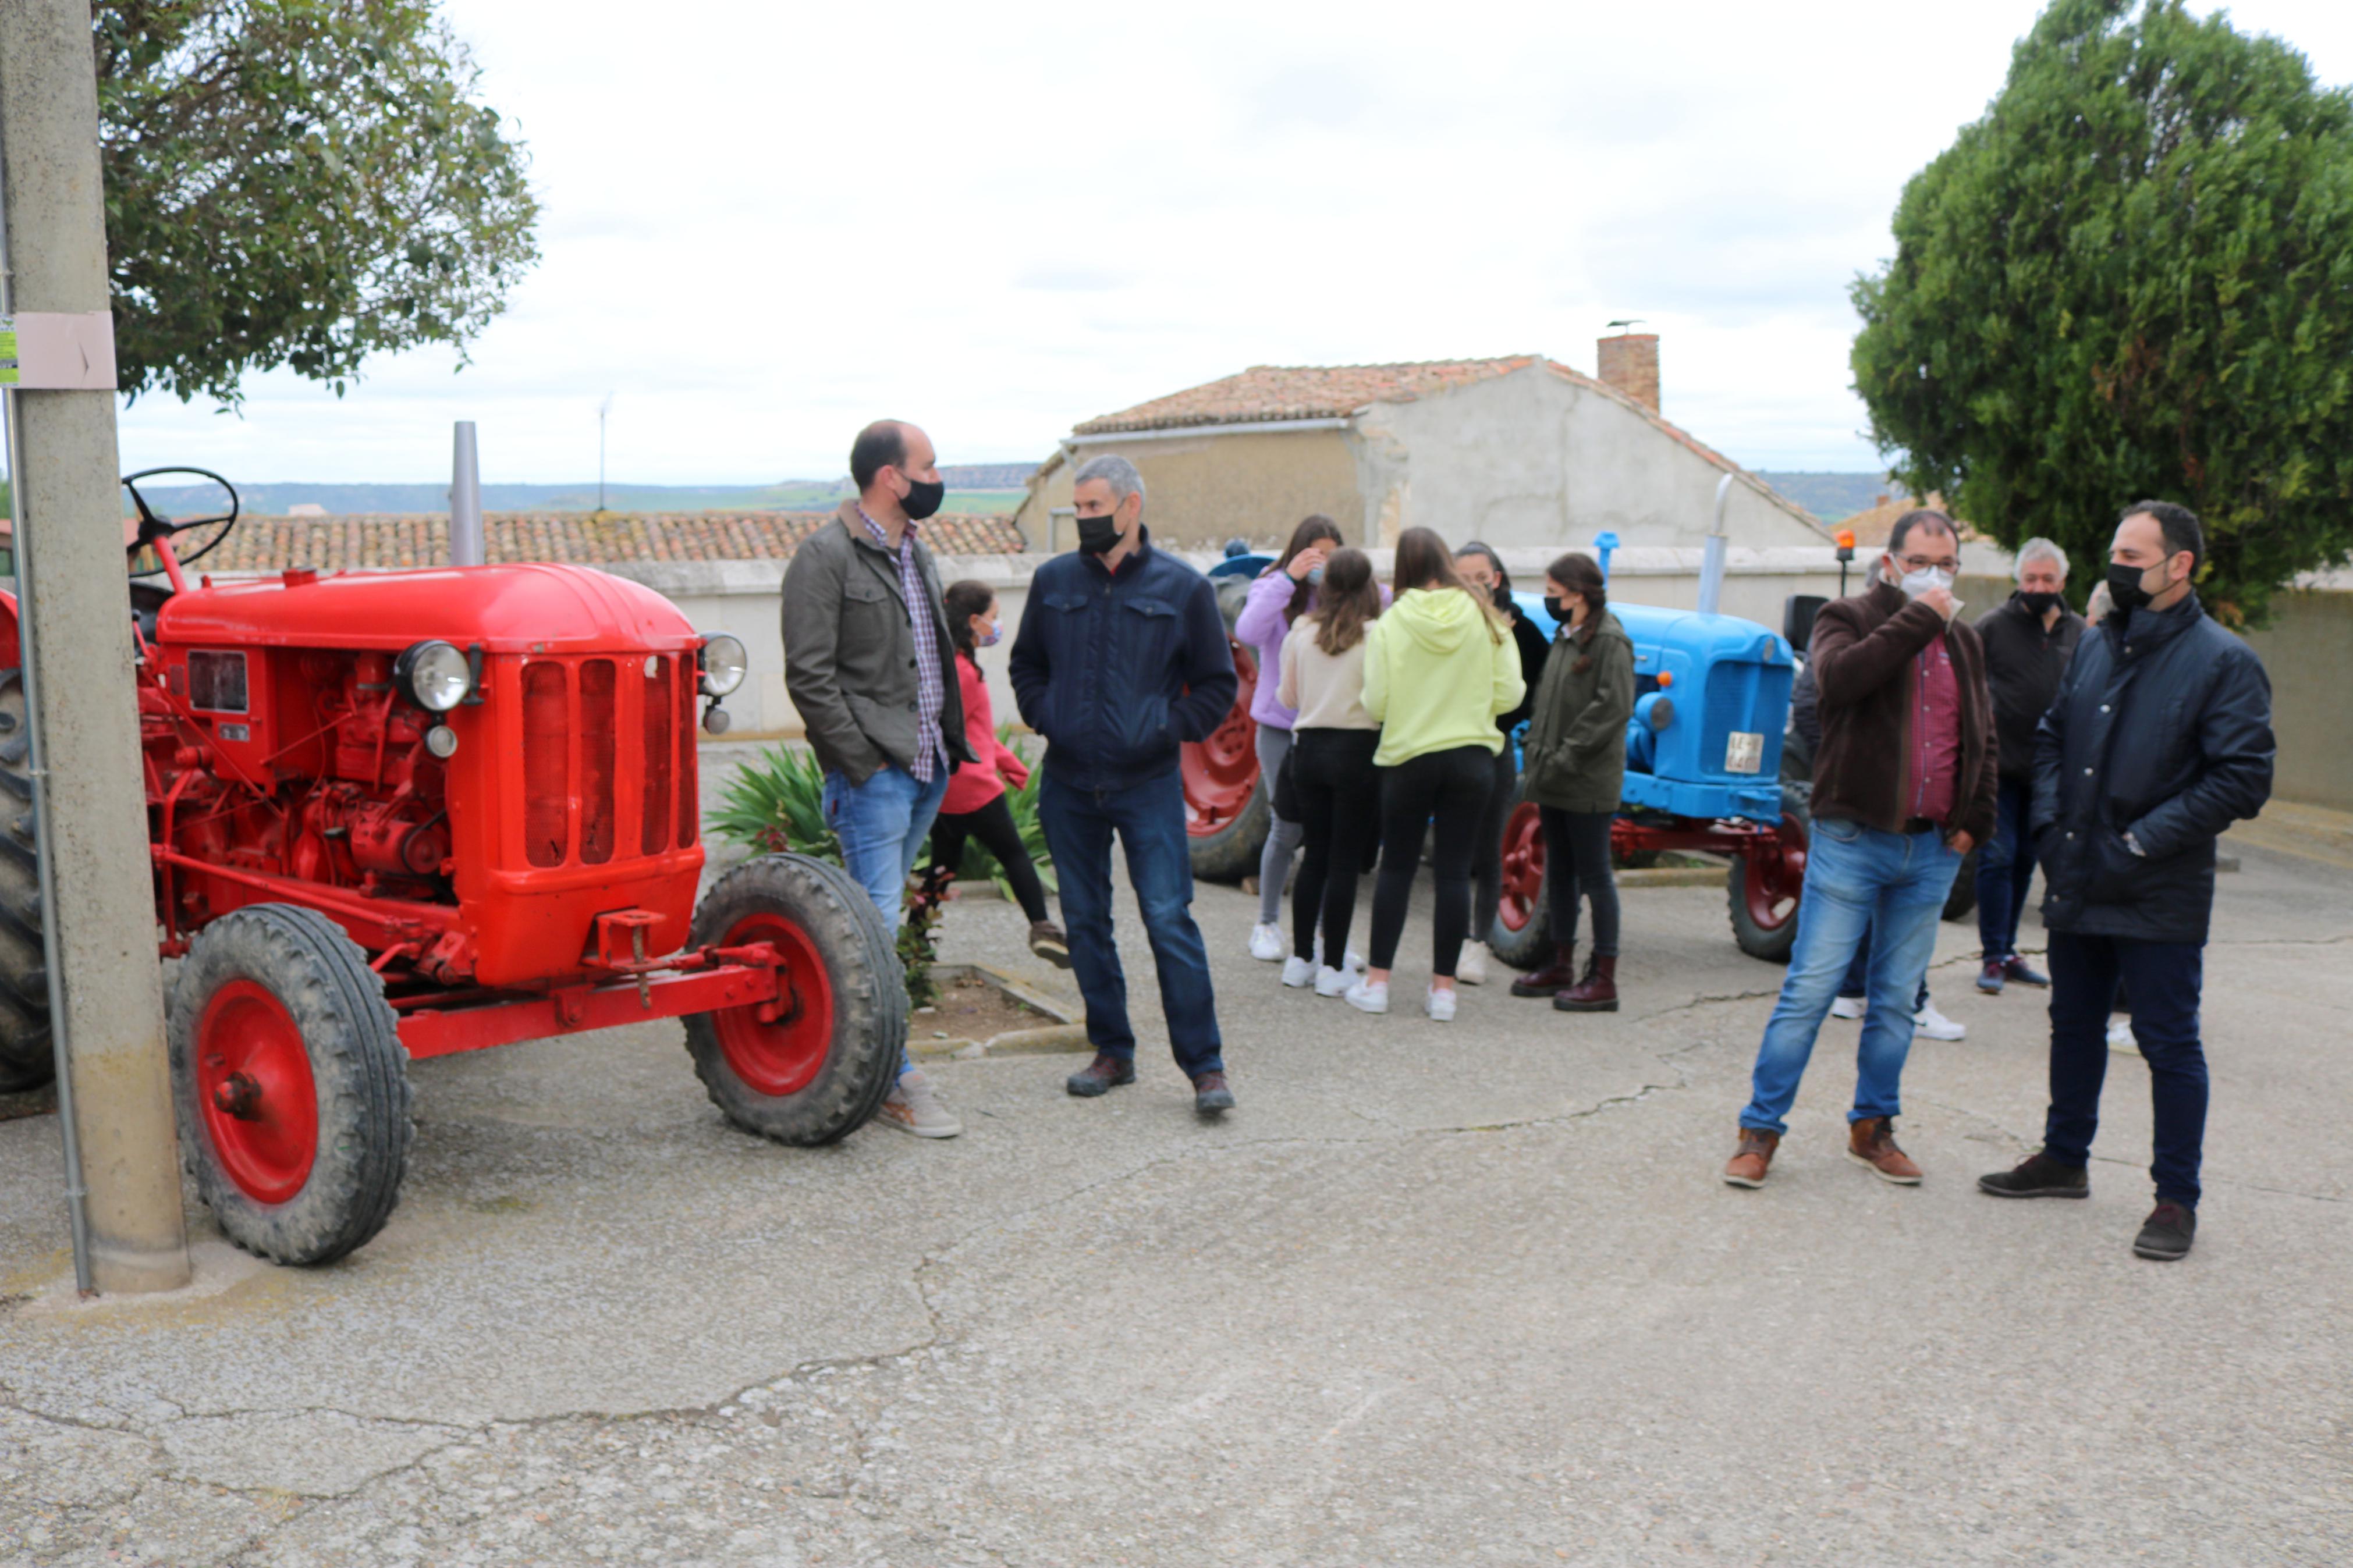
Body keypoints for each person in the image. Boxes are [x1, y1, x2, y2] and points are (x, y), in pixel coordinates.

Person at [1979, 502, 2273, 1263]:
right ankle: (2062, 1157)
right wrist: (2046, 827)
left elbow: (2241, 777)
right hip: (2077, 872)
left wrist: (2141, 839)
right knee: (2071, 1024)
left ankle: (2174, 1198)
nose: (2116, 566)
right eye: (2112, 551)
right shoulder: (2095, 644)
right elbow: (2049, 738)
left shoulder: (2222, 660)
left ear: (2178, 565)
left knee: (2167, 1043)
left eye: (2131, 555)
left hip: (2156, 888)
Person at [1723, 509, 1996, 1189]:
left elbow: (1982, 735)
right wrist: (1918, 617)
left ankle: (1872, 1128)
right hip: (1852, 840)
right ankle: (1759, 1129)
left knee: (1896, 1000)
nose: (1934, 575)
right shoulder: (1844, 617)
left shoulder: (1965, 640)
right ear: (1890, 562)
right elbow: (1839, 682)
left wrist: (1975, 819)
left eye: (1947, 565)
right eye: (1920, 562)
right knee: (1810, 990)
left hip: (1929, 850)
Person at [1008, 455, 1241, 1114]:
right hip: (1069, 785)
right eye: (1076, 509)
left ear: (1130, 506)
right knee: (1085, 923)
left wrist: (1165, 728)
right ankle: (1112, 1051)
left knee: (1169, 920)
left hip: (1148, 785)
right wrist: (1047, 714)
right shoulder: (1052, 581)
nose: (1082, 519)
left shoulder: (1183, 589)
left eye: (1092, 508)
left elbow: (1218, 685)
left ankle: (1205, 1068)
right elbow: (1026, 665)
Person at [781, 419, 973, 1139]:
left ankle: (859, 1057)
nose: (935, 478)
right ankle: (892, 1080)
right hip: (876, 778)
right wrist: (861, 764)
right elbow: (809, 675)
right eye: (927, 466)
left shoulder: (914, 552)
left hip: (925, 769)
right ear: (890, 477)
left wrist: (942, 751)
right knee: (875, 934)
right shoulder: (824, 556)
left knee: (873, 929)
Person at [1348, 528, 1525, 1021]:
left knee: (1398, 869)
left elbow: (1377, 702)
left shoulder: (1391, 622)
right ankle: (1443, 991)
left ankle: (1378, 983)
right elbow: (1510, 694)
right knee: (1452, 873)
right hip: (1471, 758)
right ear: (1445, 562)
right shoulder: (1483, 615)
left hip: (1408, 758)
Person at [1791, 657, 1966, 1043]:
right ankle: (1892, 999)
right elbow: (1810, 705)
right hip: (1860, 808)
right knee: (1864, 908)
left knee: (1889, 906)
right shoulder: (1852, 629)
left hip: (1910, 810)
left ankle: (1864, 993)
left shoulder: (1935, 647)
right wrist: (1847, 770)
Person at [1507, 553, 1633, 1011]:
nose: (1548, 600)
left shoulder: (1609, 642)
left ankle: (1604, 976)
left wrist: (1564, 755)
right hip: (1553, 774)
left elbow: (1611, 709)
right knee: (1559, 870)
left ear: (1578, 594)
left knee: (1595, 874)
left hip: (1585, 780)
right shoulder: (1565, 638)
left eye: (1553, 591)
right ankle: (1560, 961)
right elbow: (1549, 698)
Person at [932, 580, 1069, 968]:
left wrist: (1016, 771)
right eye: (994, 617)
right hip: (974, 787)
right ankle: (1041, 927)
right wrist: (1011, 773)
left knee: (941, 871)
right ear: (974, 621)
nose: (998, 625)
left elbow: (978, 733)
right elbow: (967, 735)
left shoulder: (951, 666)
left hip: (947, 790)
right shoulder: (964, 673)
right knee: (1014, 855)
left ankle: (913, 945)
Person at [1972, 538, 2085, 994]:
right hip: (1998, 766)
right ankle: (1992, 956)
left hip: (2049, 770)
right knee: (1996, 857)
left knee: (2024, 859)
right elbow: (1969, 689)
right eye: (2030, 579)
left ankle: (2009, 949)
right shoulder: (1990, 627)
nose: (2038, 586)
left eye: (2047, 579)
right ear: (2017, 581)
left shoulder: (2080, 632)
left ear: (2062, 581)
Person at [1275, 546, 1383, 997]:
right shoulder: (1377, 635)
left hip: (1309, 751)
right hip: (1357, 751)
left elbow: (1286, 698)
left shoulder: (1302, 633)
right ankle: (1333, 965)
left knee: (1314, 855)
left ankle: (1300, 958)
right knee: (1343, 861)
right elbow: (1381, 700)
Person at [1236, 515, 1344, 963]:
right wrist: (1289, 578)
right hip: (1281, 727)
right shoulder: (1272, 586)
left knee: (1330, 834)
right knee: (1286, 827)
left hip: (1332, 727)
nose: (1325, 564)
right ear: (1300, 552)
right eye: (1317, 554)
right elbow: (1247, 632)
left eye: (1333, 555)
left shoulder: (1347, 593)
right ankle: (1266, 923)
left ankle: (1324, 934)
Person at [1451, 542, 1549, 986]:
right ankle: (1447, 943)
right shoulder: (1442, 622)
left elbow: (1535, 686)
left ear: (1497, 577)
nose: (1474, 586)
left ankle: (1476, 945)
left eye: (1481, 577)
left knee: (1488, 850)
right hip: (1447, 742)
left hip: (1493, 744)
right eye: (1463, 578)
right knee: (1451, 851)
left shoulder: (1521, 628)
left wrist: (1501, 717)